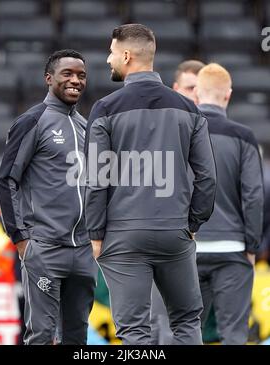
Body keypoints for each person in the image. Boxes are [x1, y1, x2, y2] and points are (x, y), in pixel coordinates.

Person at [85, 24, 217, 345]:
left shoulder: (104, 109)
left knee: (134, 332)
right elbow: (207, 176)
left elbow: (96, 179)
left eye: (113, 52)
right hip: (176, 232)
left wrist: (95, 233)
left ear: (127, 55)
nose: (108, 59)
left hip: (123, 235)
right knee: (186, 322)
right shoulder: (190, 109)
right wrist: (192, 223)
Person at [0, 49, 97, 345]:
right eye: (68, 74)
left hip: (82, 251)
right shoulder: (32, 121)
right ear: (49, 78)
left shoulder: (86, 127)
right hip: (45, 249)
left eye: (81, 75)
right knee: (41, 334)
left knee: (77, 335)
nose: (75, 80)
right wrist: (23, 241)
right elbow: (6, 180)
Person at [194, 63, 264, 344]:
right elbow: (254, 196)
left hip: (188, 249)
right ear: (228, 95)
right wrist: (251, 245)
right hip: (233, 249)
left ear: (197, 93)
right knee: (234, 334)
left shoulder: (180, 132)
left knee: (186, 332)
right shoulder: (244, 137)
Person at [150, 59, 205, 345]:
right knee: (162, 324)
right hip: (171, 239)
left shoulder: (225, 133)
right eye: (189, 88)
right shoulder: (156, 134)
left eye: (201, 89)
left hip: (211, 244)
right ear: (175, 89)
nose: (196, 94)